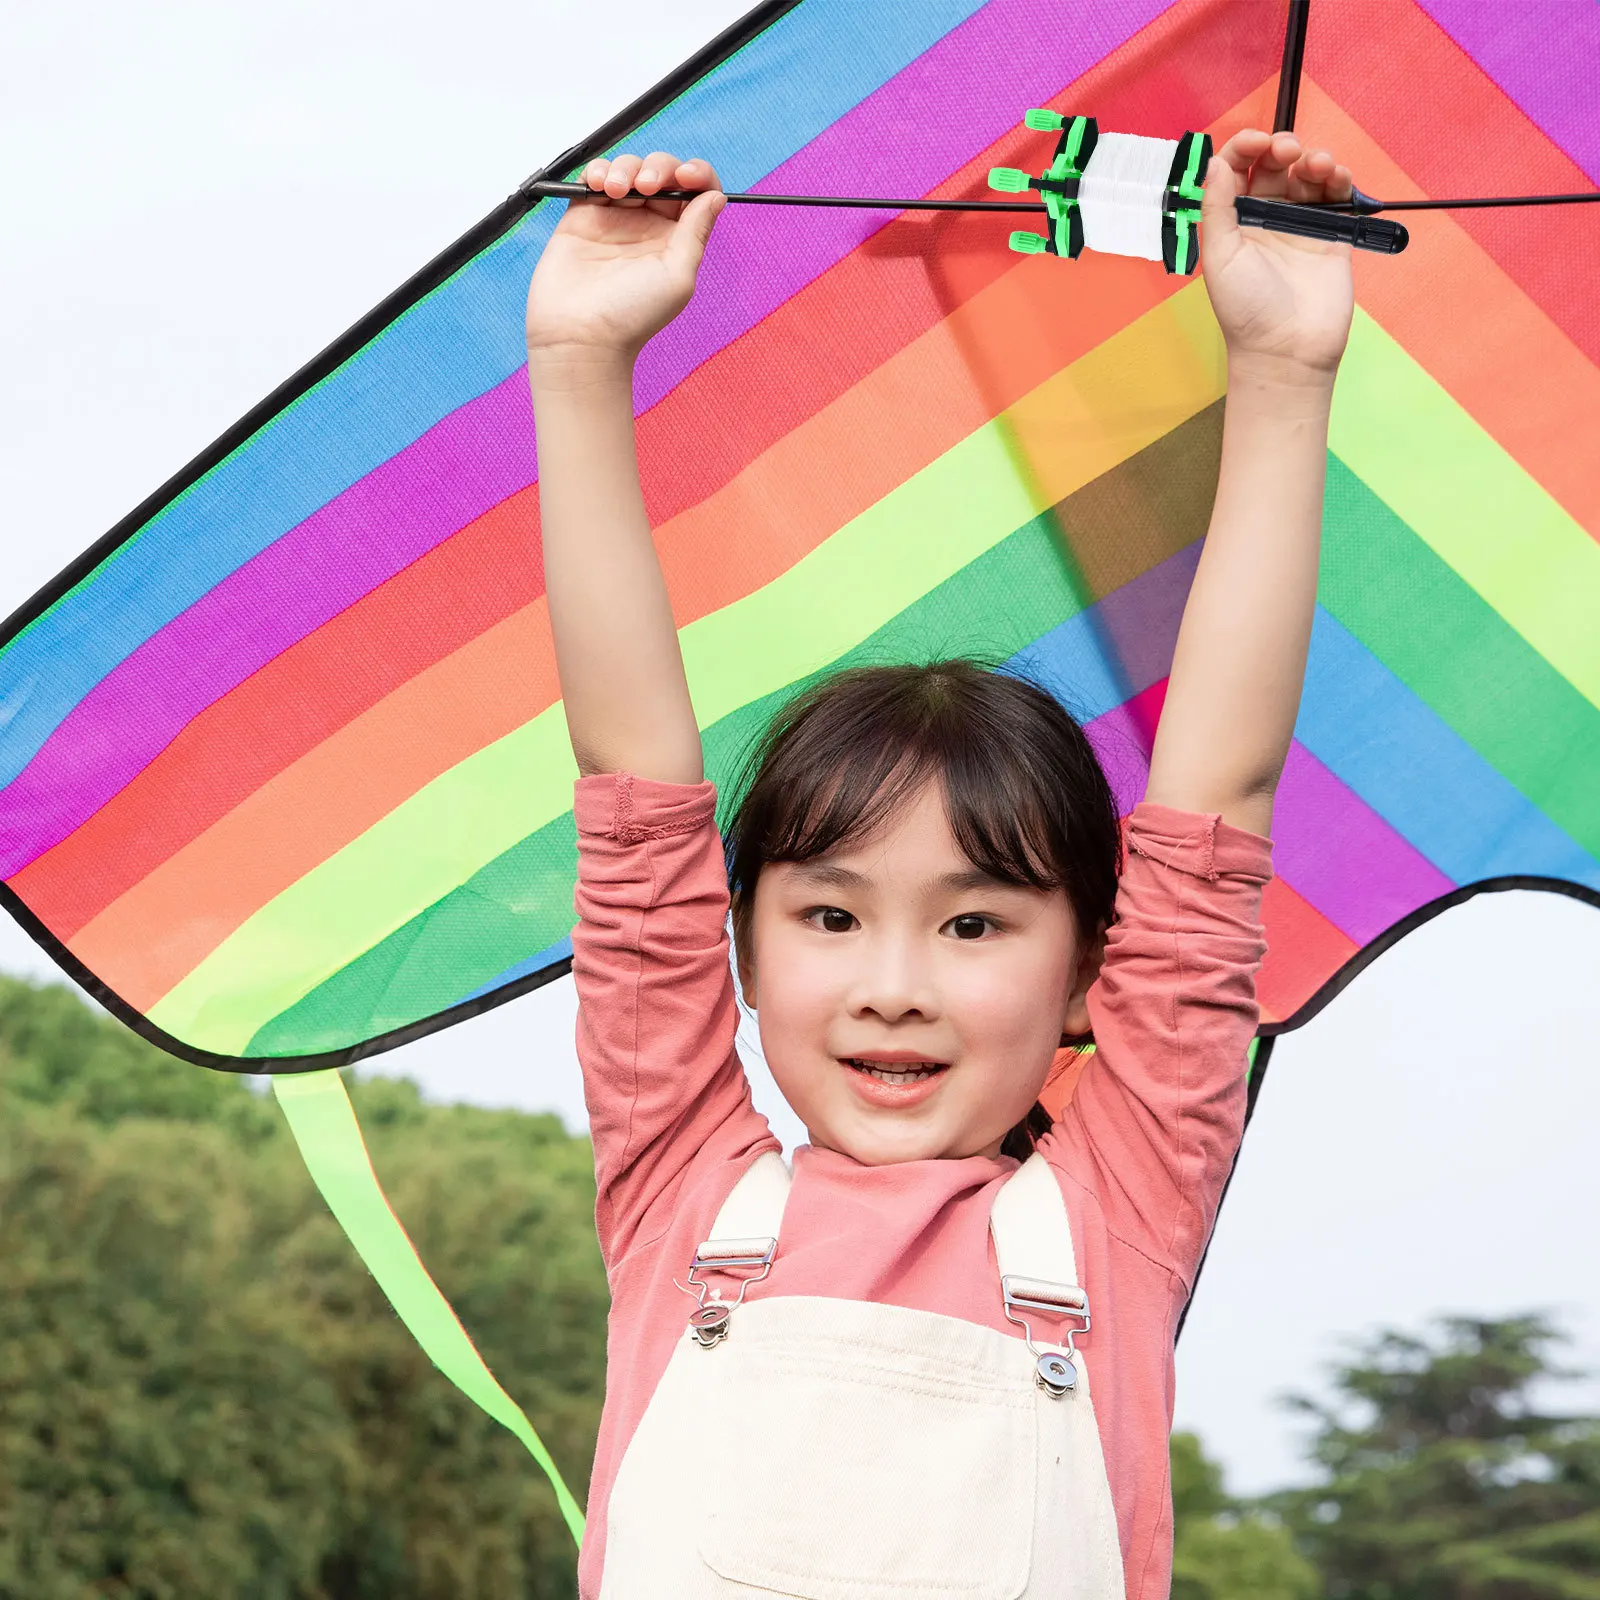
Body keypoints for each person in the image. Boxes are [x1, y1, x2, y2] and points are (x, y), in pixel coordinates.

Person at [525, 129, 1355, 1600]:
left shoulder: (1125, 1202)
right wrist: (581, 361)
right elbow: (629, 783)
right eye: (833, 915)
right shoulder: (679, 1187)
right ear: (740, 945)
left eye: (974, 927)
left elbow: (1219, 788)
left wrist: (1285, 371)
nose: (893, 988)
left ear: (1093, 967)